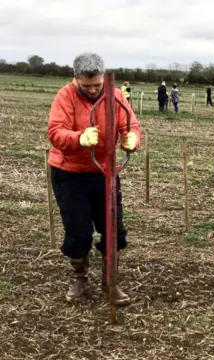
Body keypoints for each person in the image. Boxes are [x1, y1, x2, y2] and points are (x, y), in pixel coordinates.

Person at [47, 52, 142, 306]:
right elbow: (55, 132)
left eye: (96, 85)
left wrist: (132, 139)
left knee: (114, 230)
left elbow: (130, 125)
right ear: (75, 78)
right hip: (70, 174)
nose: (91, 90)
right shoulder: (65, 96)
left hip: (105, 174)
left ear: (104, 78)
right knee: (78, 232)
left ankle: (110, 280)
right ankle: (80, 279)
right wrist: (78, 138)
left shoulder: (116, 96)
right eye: (86, 85)